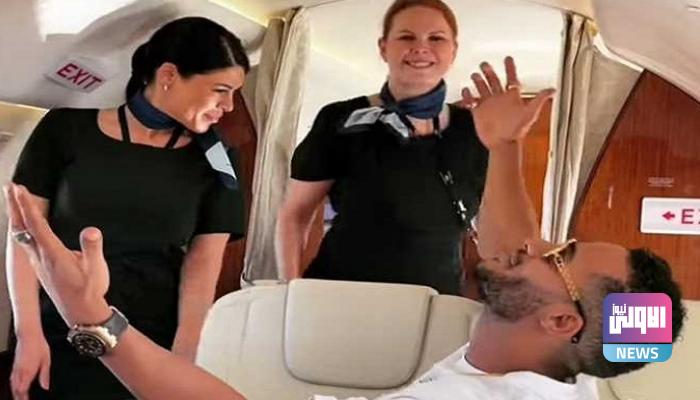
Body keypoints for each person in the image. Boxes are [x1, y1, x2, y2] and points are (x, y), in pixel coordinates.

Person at [3, 56, 686, 400]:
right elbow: (518, 250)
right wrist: (503, 146)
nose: (534, 245)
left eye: (560, 253)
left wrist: (91, 318)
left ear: (562, 321)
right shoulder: (567, 365)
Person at [7, 17, 249, 399]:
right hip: (58, 327)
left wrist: (185, 354)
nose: (229, 106)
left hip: (148, 344)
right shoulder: (65, 129)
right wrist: (28, 332)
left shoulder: (217, 160)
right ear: (168, 75)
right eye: (221, 90)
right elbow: (24, 234)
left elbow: (203, 266)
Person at [276, 0, 488, 294]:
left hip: (435, 304)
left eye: (436, 38)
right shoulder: (340, 119)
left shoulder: (476, 129)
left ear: (453, 51)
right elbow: (296, 214)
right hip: (340, 296)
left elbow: (493, 229)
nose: (421, 47)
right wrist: (290, 290)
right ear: (383, 48)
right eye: (406, 37)